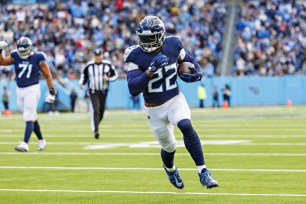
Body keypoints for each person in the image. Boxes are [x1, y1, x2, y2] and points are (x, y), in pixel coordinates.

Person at [124, 16, 218, 189]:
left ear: (160, 36)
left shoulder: (173, 44)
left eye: (151, 38)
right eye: (144, 39)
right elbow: (133, 88)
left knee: (185, 125)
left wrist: (196, 72)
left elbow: (189, 60)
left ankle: (203, 171)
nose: (147, 43)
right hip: (154, 109)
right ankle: (170, 168)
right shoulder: (135, 55)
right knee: (169, 147)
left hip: (174, 99)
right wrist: (150, 71)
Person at [0, 37, 56, 152]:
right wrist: (0, 50)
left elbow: (47, 75)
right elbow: (1, 62)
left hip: (32, 89)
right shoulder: (15, 55)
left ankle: (25, 144)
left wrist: (51, 91)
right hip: (19, 89)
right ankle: (41, 140)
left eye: (24, 51)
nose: (22, 53)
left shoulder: (38, 57)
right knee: (31, 116)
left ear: (30, 48)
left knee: (28, 116)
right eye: (21, 51)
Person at [79, 48, 118, 139]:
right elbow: (84, 75)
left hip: (103, 91)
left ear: (102, 55)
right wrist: (82, 83)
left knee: (101, 111)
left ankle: (95, 124)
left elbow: (115, 75)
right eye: (96, 55)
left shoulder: (107, 64)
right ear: (94, 56)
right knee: (96, 109)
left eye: (99, 55)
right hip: (93, 90)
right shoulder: (89, 65)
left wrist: (109, 79)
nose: (98, 57)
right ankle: (96, 130)